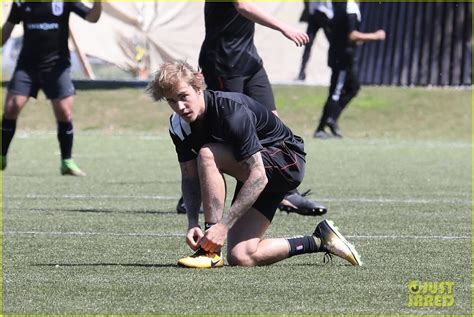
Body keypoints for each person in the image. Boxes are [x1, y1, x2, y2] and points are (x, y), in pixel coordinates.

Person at [147, 60, 361, 268]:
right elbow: (189, 176)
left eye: (183, 96)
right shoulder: (178, 126)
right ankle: (320, 239)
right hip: (254, 169)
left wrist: (222, 227)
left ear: (198, 87)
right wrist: (192, 222)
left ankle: (208, 251)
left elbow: (259, 175)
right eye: (171, 101)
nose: (180, 107)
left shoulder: (230, 111)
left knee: (207, 154)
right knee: (242, 255)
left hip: (285, 162)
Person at [175, 0, 327, 217]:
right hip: (224, 61)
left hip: (249, 60)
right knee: (225, 129)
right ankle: (195, 191)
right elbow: (242, 6)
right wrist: (284, 27)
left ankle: (285, 191)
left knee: (273, 124)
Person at [1, 1, 102, 175]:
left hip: (56, 66)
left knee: (64, 112)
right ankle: (1, 155)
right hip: (27, 66)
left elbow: (92, 18)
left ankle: (67, 162)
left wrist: (98, 2)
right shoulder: (21, 2)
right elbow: (7, 31)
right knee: (12, 107)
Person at [314, 0, 385, 138]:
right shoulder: (350, 7)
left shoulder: (345, 7)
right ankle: (321, 128)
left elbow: (341, 31)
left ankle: (331, 119)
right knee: (336, 92)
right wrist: (375, 36)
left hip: (342, 56)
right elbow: (352, 35)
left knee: (353, 87)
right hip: (342, 58)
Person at [297, 0, 333, 81]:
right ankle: (301, 72)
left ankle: (337, 69)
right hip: (314, 13)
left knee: (333, 43)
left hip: (326, 14)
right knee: (307, 44)